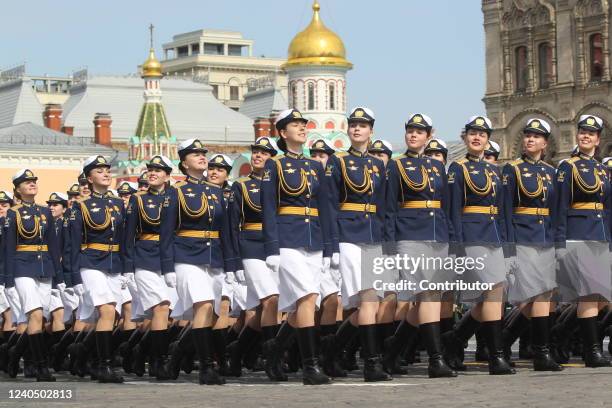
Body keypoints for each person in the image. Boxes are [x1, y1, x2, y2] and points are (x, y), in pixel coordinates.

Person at [261, 109, 332, 385]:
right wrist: (271, 247)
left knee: (304, 306)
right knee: (308, 296)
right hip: (287, 240)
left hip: (313, 238)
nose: (302, 128)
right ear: (282, 132)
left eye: (304, 124)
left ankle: (274, 350)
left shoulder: (315, 167)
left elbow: (323, 207)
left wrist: (329, 247)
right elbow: (268, 208)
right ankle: (310, 367)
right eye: (295, 124)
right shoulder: (274, 165)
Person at [383, 113, 457, 378]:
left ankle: (393, 349)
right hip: (410, 235)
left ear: (429, 135)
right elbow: (389, 208)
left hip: (437, 236)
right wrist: (390, 245)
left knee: (431, 297)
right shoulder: (395, 166)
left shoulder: (437, 167)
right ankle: (436, 360)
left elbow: (446, 207)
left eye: (419, 131)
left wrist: (450, 239)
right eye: (410, 131)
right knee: (427, 295)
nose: (413, 135)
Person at [160, 139, 236, 385]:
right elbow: (166, 231)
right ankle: (207, 368)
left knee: (212, 314)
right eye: (195, 154)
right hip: (186, 256)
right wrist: (167, 266)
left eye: (203, 153)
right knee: (202, 306)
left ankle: (177, 353)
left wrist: (232, 265)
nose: (202, 157)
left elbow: (227, 232)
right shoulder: (176, 192)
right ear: (184, 163)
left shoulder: (217, 192)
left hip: (213, 258)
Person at [443, 116, 515, 375]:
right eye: (472, 133)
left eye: (482, 134)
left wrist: (508, 247)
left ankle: (455, 339)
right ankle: (496, 357)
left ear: (488, 139)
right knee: (494, 290)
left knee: (490, 296)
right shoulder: (457, 168)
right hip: (472, 236)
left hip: (494, 235)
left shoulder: (495, 171)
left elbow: (504, 213)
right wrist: (456, 245)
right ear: (465, 137)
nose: (477, 138)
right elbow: (452, 210)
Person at [325, 107, 391, 382]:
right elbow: (328, 205)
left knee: (370, 303)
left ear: (371, 131)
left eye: (362, 125)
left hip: (373, 235)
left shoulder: (377, 165)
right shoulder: (337, 161)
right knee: (367, 299)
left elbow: (384, 207)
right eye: (353, 125)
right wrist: (332, 246)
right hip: (349, 234)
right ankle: (371, 365)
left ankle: (330, 353)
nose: (357, 129)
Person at [502, 118, 562, 371]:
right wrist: (508, 247)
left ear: (545, 143)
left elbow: (556, 211)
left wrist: (558, 243)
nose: (530, 139)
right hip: (523, 236)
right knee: (530, 297)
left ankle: (516, 345)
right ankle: (539, 350)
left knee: (545, 296)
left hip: (545, 238)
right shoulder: (512, 170)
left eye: (536, 136)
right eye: (527, 135)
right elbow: (505, 211)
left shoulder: (551, 173)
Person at [555, 114, 611, 367]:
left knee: (602, 299)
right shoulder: (568, 166)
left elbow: (607, 208)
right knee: (590, 295)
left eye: (591, 133)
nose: (586, 136)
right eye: (582, 132)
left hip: (599, 236)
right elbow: (560, 207)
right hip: (578, 235)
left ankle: (559, 336)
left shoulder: (602, 169)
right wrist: (560, 243)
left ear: (598, 139)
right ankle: (592, 351)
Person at [68, 155, 127, 383]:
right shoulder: (80, 207)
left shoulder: (119, 204)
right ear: (89, 178)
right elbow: (72, 245)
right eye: (99, 171)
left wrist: (126, 269)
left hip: (114, 263)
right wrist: (74, 278)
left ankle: (83, 352)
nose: (105, 173)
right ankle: (105, 366)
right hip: (90, 262)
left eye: (107, 170)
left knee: (113, 315)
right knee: (107, 312)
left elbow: (124, 239)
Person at [228, 137, 282, 377]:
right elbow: (231, 226)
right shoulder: (240, 186)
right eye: (256, 152)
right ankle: (272, 359)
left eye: (265, 152)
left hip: (275, 247)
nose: (258, 156)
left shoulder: (280, 183)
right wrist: (234, 261)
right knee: (271, 300)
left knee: (264, 309)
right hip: (250, 246)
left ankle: (237, 353)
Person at [3, 170, 63, 381]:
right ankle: (41, 367)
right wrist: (9, 280)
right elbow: (9, 248)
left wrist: (60, 277)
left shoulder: (45, 212)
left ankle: (14, 355)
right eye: (26, 182)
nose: (31, 184)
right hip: (22, 268)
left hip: (44, 267)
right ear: (18, 189)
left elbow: (54, 246)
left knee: (39, 319)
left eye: (33, 181)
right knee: (35, 315)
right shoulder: (13, 214)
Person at [124, 155, 175, 380]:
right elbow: (128, 235)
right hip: (145, 257)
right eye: (150, 169)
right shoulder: (138, 200)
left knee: (169, 314)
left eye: (158, 169)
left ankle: (140, 351)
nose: (153, 172)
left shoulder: (176, 196)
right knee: (160, 308)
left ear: (167, 175)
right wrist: (128, 266)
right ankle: (159, 362)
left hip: (170, 259)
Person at [206, 153, 236, 375]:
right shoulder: (197, 191)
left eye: (220, 169)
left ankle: (222, 357)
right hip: (204, 254)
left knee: (224, 305)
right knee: (207, 308)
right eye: (212, 168)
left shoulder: (232, 193)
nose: (215, 172)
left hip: (228, 254)